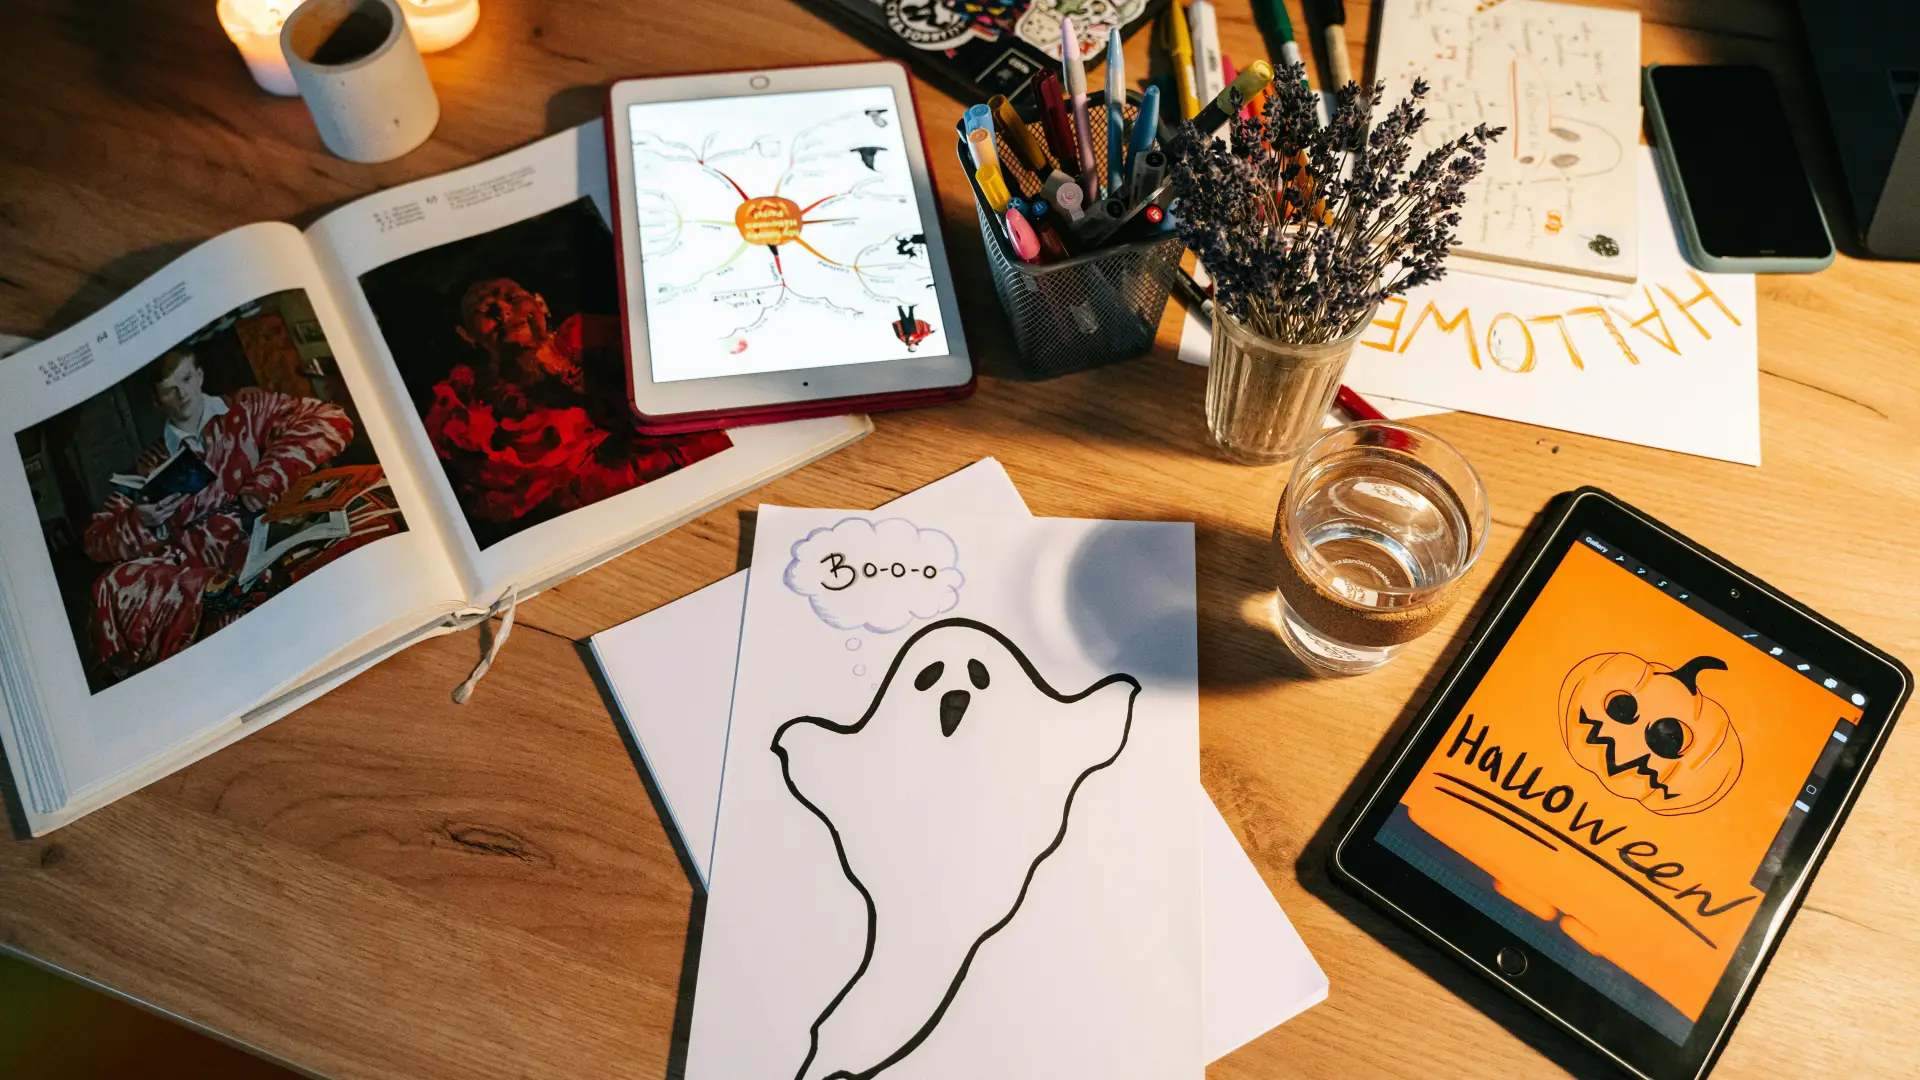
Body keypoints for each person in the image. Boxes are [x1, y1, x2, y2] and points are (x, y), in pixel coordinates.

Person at [83, 348, 353, 685]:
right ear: (156, 401)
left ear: (199, 375)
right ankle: (210, 593)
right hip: (190, 567)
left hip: (253, 535)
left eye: (186, 379)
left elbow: (329, 419)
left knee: (235, 617)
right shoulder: (149, 463)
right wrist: (141, 521)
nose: (182, 394)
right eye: (169, 389)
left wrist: (266, 480)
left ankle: (226, 599)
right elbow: (95, 541)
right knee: (112, 583)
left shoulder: (248, 410)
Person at [420, 277, 730, 528]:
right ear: (468, 336)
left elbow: (678, 398)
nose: (502, 312)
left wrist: (566, 368)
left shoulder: (586, 334)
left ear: (541, 305)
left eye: (512, 299)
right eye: (483, 312)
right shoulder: (468, 398)